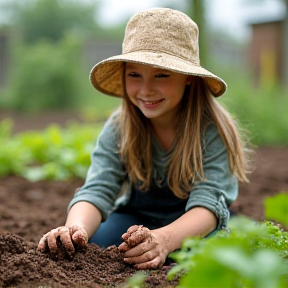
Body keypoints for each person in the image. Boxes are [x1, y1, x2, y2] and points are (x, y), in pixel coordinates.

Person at [37, 7, 250, 269]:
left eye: (162, 75)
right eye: (134, 75)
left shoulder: (212, 130)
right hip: (136, 219)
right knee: (97, 241)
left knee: (216, 254)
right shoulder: (119, 127)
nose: (146, 89)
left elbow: (207, 206)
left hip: (196, 222)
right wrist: (74, 229)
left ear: (188, 79)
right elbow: (98, 189)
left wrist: (164, 239)